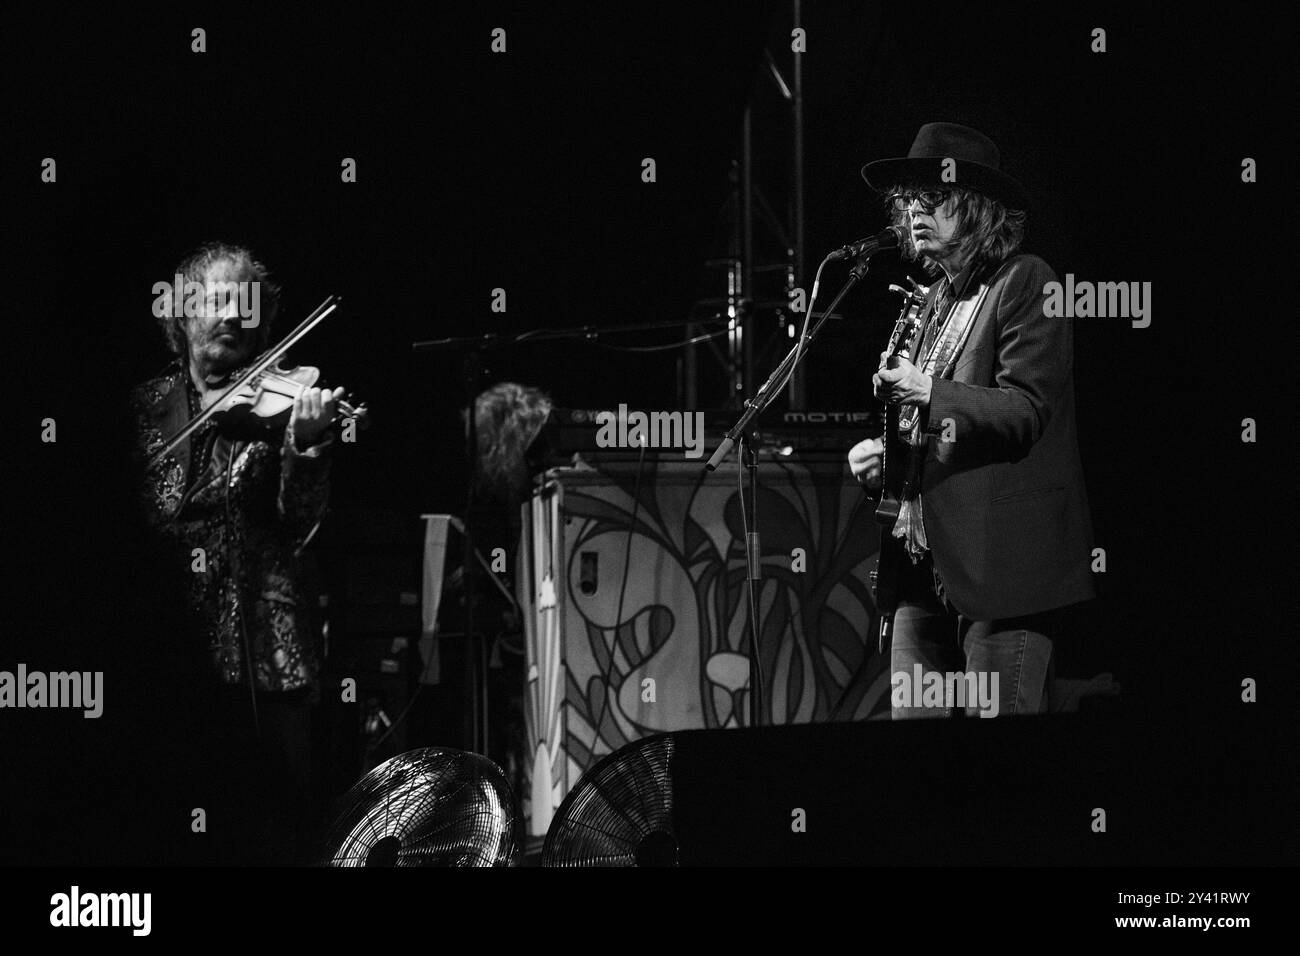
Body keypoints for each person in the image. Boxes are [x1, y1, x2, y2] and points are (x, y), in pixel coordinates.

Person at [847, 123, 1095, 718]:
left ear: (978, 208)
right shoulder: (935, 298)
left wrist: (928, 389)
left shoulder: (1027, 281)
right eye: (908, 201)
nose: (914, 214)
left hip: (1001, 568)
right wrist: (886, 458)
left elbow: (1026, 411)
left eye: (932, 199)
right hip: (921, 569)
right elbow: (933, 425)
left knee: (998, 772)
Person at [131, 241, 344, 859]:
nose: (231, 313)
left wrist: (306, 446)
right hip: (168, 657)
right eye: (216, 299)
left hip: (265, 657)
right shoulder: (143, 410)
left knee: (271, 838)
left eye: (245, 304)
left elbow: (299, 522)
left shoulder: (282, 401)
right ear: (180, 316)